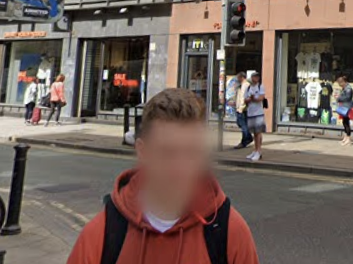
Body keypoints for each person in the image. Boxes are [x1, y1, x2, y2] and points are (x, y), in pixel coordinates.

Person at [66, 87, 259, 264]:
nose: (181, 169)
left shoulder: (230, 232)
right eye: (167, 153)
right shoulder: (101, 235)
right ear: (143, 152)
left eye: (192, 152)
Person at [244, 72, 267, 162]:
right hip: (250, 113)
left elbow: (261, 98)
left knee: (258, 132)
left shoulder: (260, 86)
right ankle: (255, 150)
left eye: (257, 76)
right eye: (254, 76)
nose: (256, 78)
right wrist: (250, 98)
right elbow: (245, 100)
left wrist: (254, 98)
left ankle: (259, 151)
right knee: (254, 133)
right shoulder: (248, 88)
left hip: (259, 113)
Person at [232, 72, 253, 151]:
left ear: (241, 77)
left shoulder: (245, 85)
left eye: (238, 77)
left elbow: (243, 98)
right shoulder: (242, 85)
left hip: (243, 108)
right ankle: (248, 137)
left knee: (243, 125)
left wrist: (240, 108)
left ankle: (245, 141)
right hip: (242, 108)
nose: (237, 79)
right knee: (242, 124)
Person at [334, 75, 353, 146]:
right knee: (344, 122)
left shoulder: (348, 88)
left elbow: (348, 97)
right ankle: (346, 137)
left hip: (347, 107)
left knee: (346, 123)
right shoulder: (345, 88)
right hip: (344, 106)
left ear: (343, 82)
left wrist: (339, 98)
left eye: (340, 83)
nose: (340, 85)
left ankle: (348, 139)